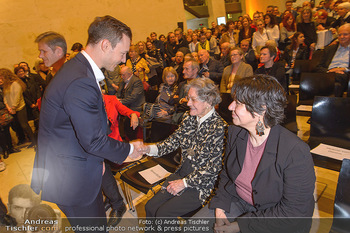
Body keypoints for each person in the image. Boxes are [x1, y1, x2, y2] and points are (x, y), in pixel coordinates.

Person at [30, 16, 143, 232]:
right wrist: (129, 149)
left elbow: (74, 129)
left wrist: (97, 158)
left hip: (73, 167)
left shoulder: (78, 69)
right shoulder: (80, 79)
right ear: (105, 45)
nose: (123, 60)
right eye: (122, 52)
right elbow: (92, 140)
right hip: (71, 178)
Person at [191, 75, 316, 233]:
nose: (230, 107)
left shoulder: (295, 151)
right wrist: (220, 207)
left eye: (238, 103)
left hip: (275, 215)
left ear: (261, 108)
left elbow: (293, 213)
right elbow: (227, 175)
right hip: (238, 200)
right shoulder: (235, 133)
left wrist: (239, 226)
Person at [141, 77, 227, 231]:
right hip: (182, 173)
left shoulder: (220, 128)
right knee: (150, 207)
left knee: (163, 214)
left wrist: (184, 183)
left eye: (193, 99)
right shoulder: (189, 118)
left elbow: (213, 169)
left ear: (208, 101)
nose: (187, 103)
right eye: (188, 98)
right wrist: (147, 149)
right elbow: (172, 142)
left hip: (201, 185)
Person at [0, 68, 36, 148]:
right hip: (11, 109)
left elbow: (17, 97)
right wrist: (8, 106)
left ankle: (34, 141)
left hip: (19, 107)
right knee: (16, 126)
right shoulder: (6, 85)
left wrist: (13, 107)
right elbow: (5, 97)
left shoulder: (15, 84)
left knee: (24, 125)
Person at [315, 23, 350, 97]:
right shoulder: (329, 49)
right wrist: (330, 71)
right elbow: (318, 67)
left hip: (345, 74)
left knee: (340, 77)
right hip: (328, 73)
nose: (342, 37)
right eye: (340, 35)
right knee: (336, 84)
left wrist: (345, 69)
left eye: (345, 34)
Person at [116, 66, 145, 141]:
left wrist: (120, 101)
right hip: (125, 107)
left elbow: (133, 97)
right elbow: (118, 94)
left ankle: (131, 141)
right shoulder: (123, 82)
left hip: (135, 107)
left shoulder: (137, 81)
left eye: (123, 75)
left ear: (129, 73)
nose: (121, 77)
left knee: (128, 125)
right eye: (121, 75)